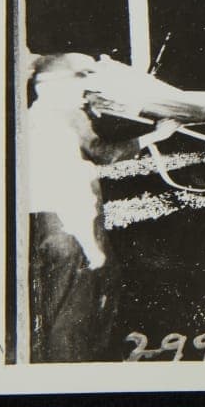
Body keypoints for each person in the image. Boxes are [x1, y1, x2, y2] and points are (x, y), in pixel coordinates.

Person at [27, 52, 180, 362]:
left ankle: (80, 358)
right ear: (55, 86)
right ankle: (69, 370)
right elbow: (103, 153)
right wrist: (156, 136)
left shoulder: (38, 114)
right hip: (70, 223)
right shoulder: (66, 115)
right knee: (74, 305)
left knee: (83, 291)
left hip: (53, 219)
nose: (83, 94)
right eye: (79, 84)